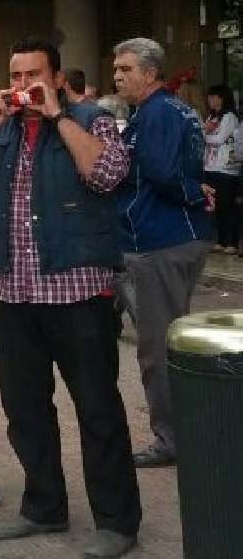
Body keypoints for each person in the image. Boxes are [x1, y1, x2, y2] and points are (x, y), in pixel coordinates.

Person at [0, 37, 140, 559]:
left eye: (35, 74)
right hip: (13, 297)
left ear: (55, 78)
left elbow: (108, 173)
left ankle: (118, 522)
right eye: (16, 76)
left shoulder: (89, 119)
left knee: (98, 410)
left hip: (78, 295)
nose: (24, 85)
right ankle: (43, 506)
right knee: (27, 411)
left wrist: (58, 118)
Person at [114, 38, 213, 470]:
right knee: (167, 342)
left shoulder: (156, 114)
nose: (117, 75)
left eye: (125, 68)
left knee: (159, 348)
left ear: (150, 74)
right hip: (171, 239)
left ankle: (173, 438)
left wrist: (194, 193)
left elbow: (158, 170)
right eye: (116, 68)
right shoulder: (170, 110)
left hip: (160, 241)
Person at [201, 83, 240, 254]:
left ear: (222, 98)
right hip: (210, 166)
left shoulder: (229, 117)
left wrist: (206, 133)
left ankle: (232, 242)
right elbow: (203, 135)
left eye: (214, 97)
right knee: (215, 205)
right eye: (209, 97)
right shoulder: (211, 117)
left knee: (227, 205)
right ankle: (221, 240)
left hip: (225, 167)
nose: (210, 100)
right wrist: (207, 132)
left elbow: (220, 139)